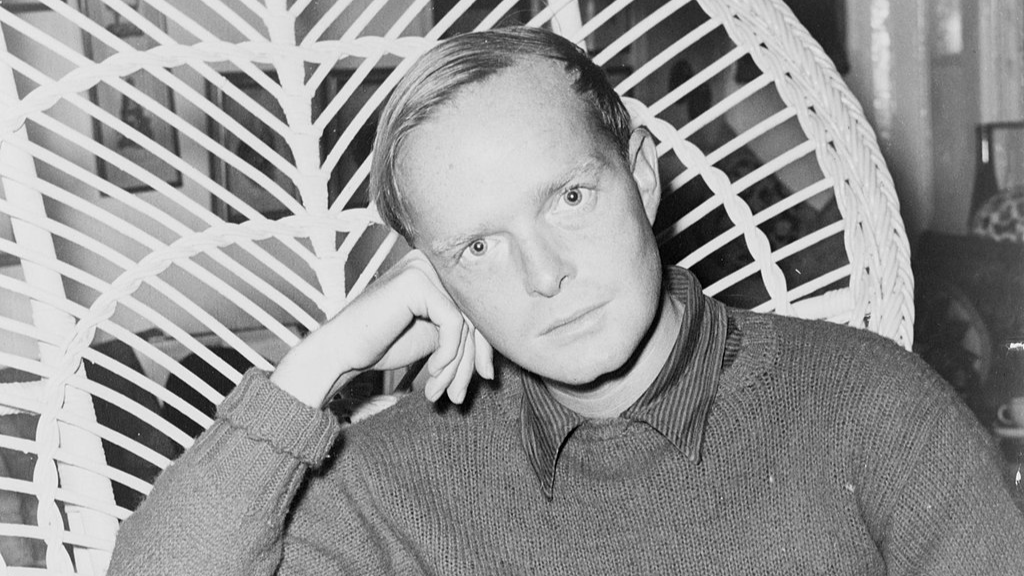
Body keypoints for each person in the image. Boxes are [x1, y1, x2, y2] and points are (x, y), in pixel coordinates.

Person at [109, 26, 1024, 574]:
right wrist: (326, 357)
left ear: (643, 177)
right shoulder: (397, 479)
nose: (543, 274)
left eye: (570, 199)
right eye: (478, 247)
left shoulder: (871, 407)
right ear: (430, 277)